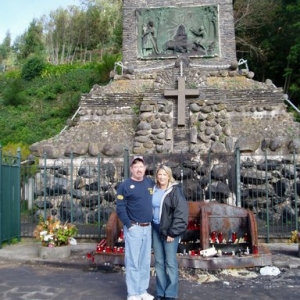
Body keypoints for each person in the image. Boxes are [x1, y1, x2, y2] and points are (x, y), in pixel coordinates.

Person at [116, 156, 155, 300]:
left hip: (148, 228)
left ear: (145, 168)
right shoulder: (125, 186)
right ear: (131, 169)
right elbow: (120, 208)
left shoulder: (150, 183)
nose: (139, 169)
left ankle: (142, 290)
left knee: (145, 261)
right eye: (136, 166)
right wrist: (129, 225)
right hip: (134, 228)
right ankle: (133, 293)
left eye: (141, 166)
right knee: (133, 261)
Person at [152, 165, 188, 300]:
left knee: (170, 262)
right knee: (159, 262)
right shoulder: (154, 189)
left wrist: (172, 233)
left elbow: (181, 213)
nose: (161, 177)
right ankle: (161, 291)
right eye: (159, 174)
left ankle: (171, 293)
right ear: (156, 176)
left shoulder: (175, 191)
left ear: (169, 176)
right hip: (156, 229)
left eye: (164, 174)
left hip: (169, 232)